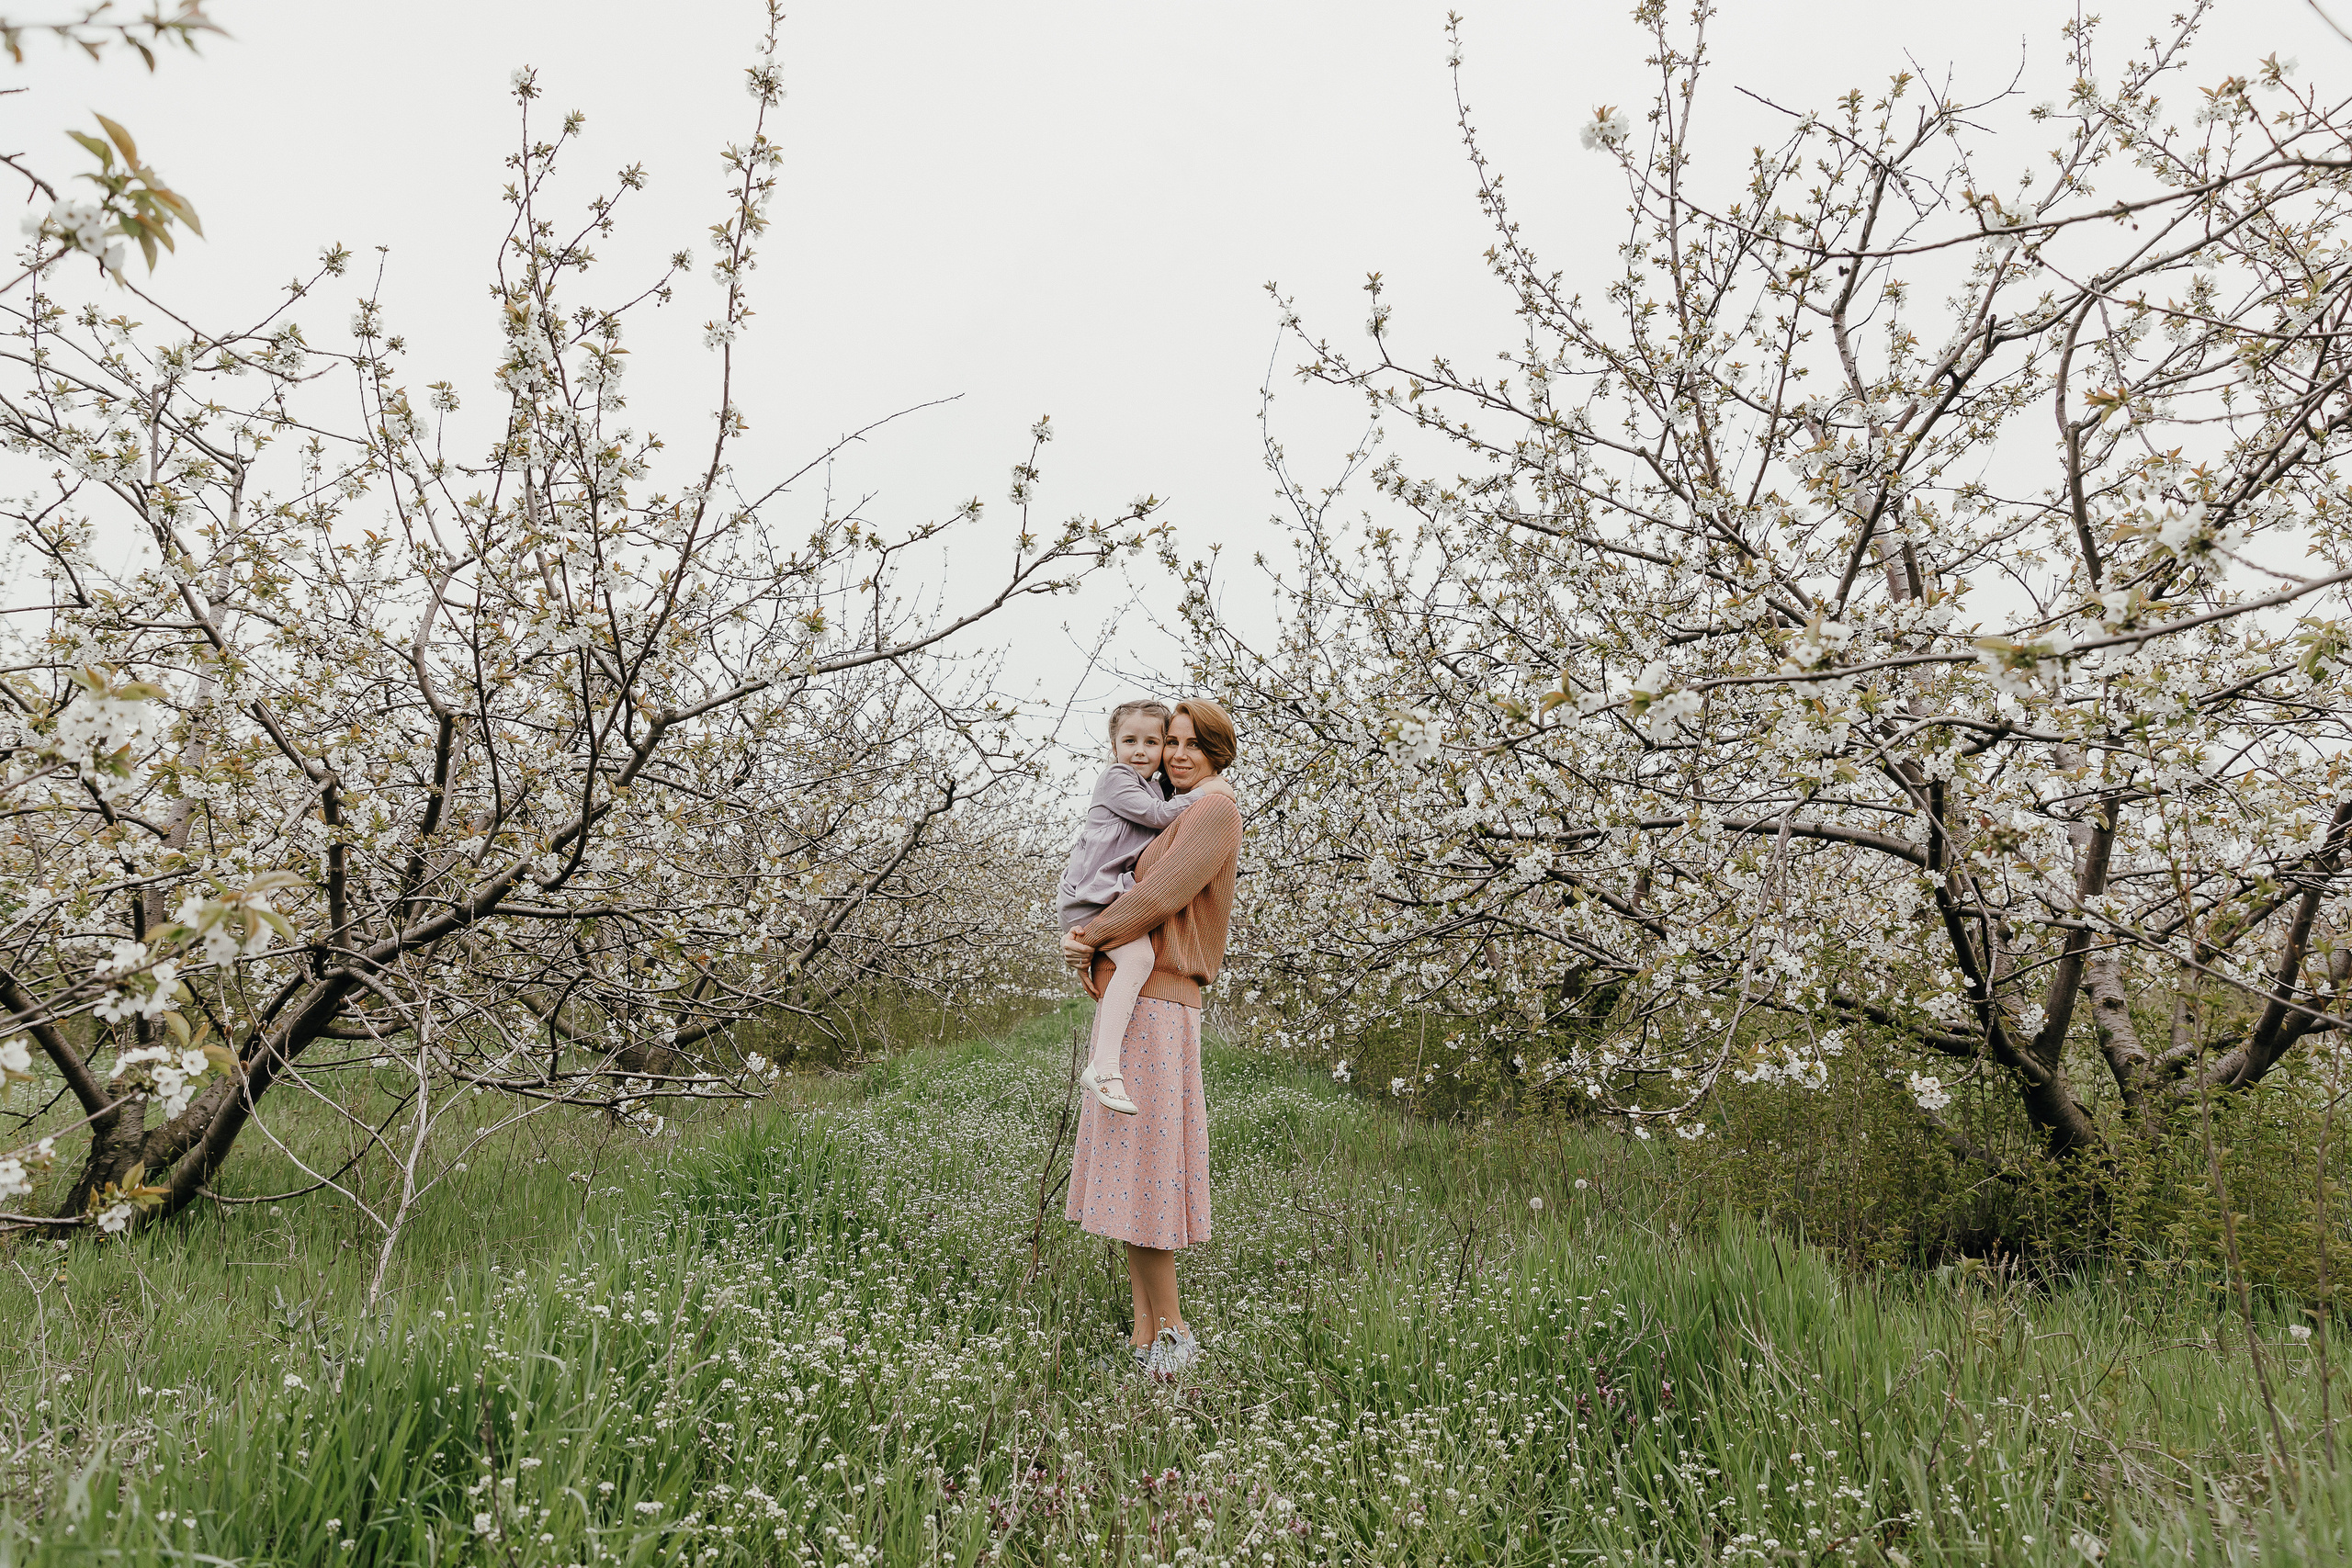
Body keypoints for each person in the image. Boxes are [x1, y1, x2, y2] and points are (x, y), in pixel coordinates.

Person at [1060, 698, 1242, 1378]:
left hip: (1162, 1007)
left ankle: (1173, 1337)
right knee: (1136, 1173)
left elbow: (1160, 895)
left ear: (1220, 749)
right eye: (1171, 742)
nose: (1177, 754)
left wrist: (1087, 939)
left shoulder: (1214, 810)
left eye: (1194, 744)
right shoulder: (1179, 804)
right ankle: (1145, 1337)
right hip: (1142, 999)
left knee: (1150, 1176)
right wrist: (1096, 950)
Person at [1057, 700, 1198, 1116]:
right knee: (1138, 959)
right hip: (1091, 896)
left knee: (1136, 958)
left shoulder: (1153, 786)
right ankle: (1103, 1067)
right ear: (1113, 745)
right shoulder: (1117, 778)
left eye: (1152, 741)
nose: (1140, 750)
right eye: (1129, 740)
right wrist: (1209, 794)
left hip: (1106, 897)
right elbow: (1158, 816)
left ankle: (1104, 1066)